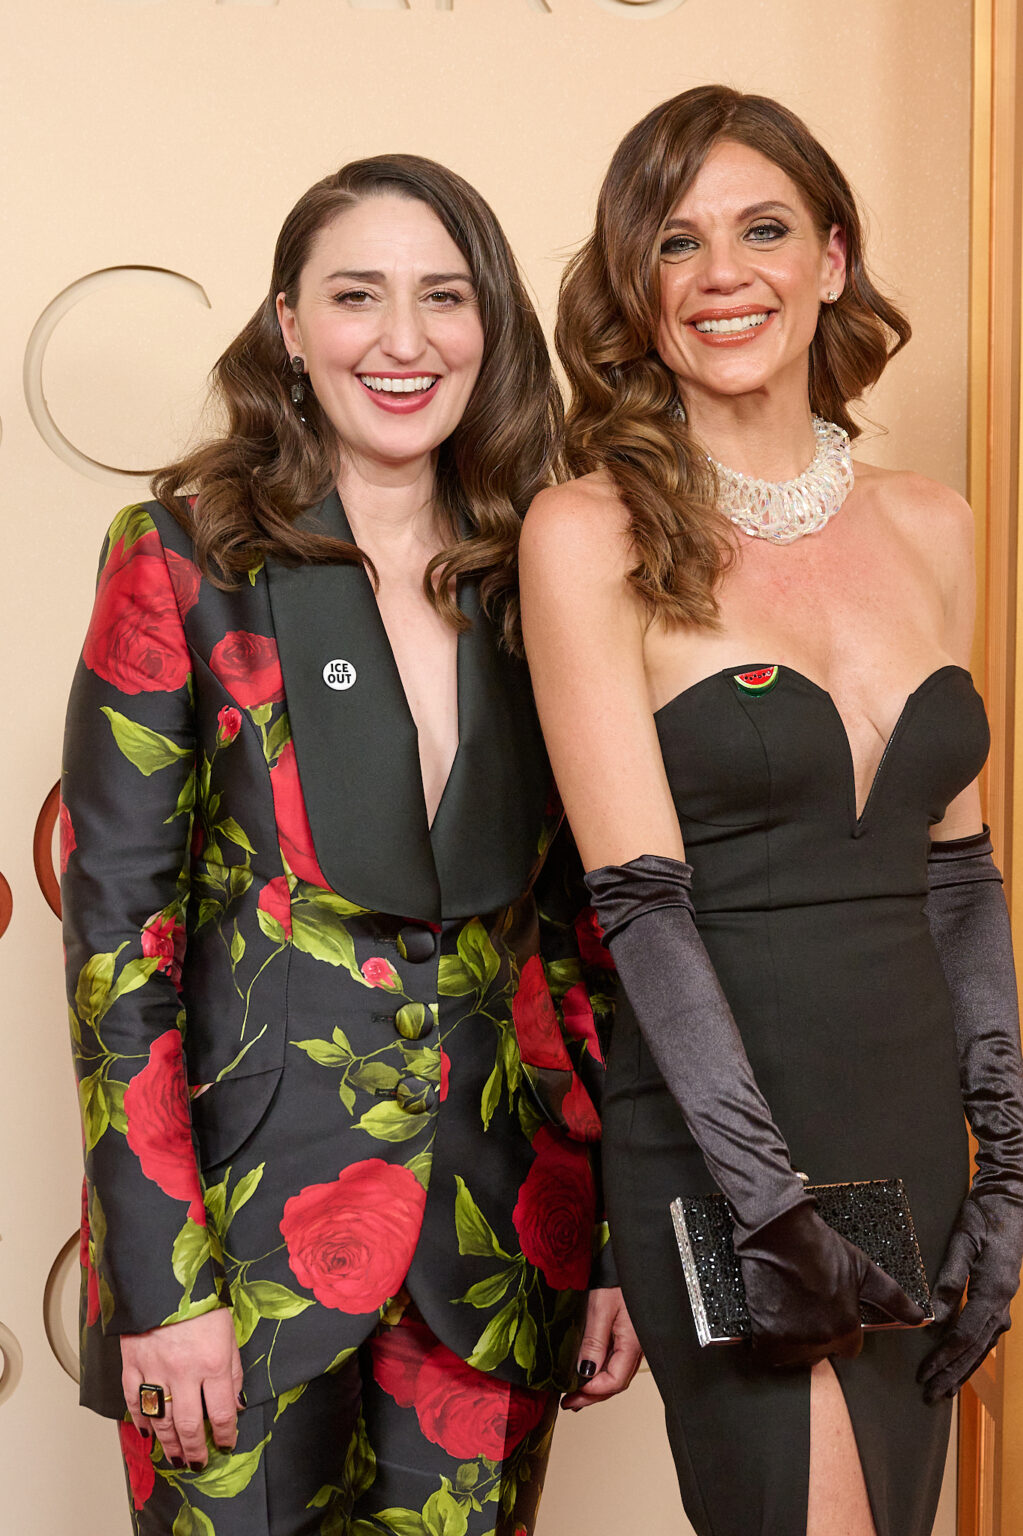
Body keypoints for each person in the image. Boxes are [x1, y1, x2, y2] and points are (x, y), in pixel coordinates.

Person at [61, 153, 639, 1536]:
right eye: (356, 295)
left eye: (444, 296)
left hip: (501, 1252)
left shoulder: (547, 572)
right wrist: (162, 1285)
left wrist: (615, 1233)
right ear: (287, 323)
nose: (402, 339)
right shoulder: (185, 557)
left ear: (490, 327)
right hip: (236, 1263)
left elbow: (587, 936)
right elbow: (117, 947)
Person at [519, 85, 1023, 1536]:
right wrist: (769, 1205)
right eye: (677, 243)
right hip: (726, 1149)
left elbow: (959, 875)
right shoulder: (590, 530)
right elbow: (639, 903)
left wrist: (1006, 1168)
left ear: (833, 258)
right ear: (637, 287)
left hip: (914, 1128)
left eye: (764, 230)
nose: (723, 273)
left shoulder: (935, 524)